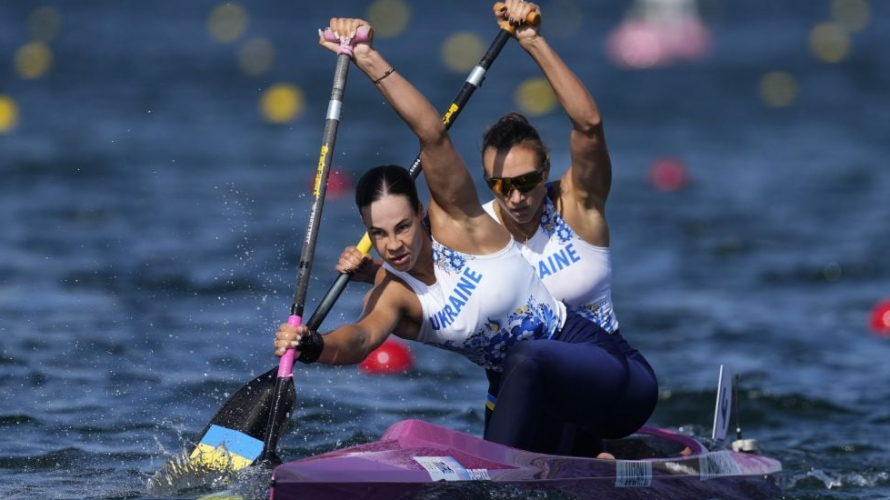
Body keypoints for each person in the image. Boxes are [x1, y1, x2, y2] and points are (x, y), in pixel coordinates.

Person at [275, 14, 657, 456]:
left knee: (525, 357)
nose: (394, 243)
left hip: (612, 374)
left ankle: (518, 473)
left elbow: (431, 135)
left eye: (402, 226)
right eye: (379, 234)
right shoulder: (395, 295)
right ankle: (593, 461)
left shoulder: (467, 228)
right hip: (540, 397)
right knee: (521, 384)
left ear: (422, 213)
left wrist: (366, 58)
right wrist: (312, 344)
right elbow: (359, 339)